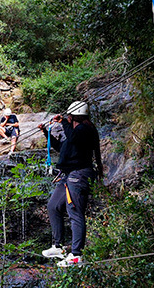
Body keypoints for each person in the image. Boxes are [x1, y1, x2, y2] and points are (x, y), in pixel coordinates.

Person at [39, 101, 103, 267]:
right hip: (69, 175)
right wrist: (46, 132)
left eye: (69, 116)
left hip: (79, 174)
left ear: (74, 116)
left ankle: (76, 255)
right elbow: (62, 147)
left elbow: (73, 137)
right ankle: (58, 247)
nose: (67, 118)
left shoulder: (84, 129)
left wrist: (65, 123)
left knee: (74, 212)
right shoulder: (75, 132)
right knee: (53, 206)